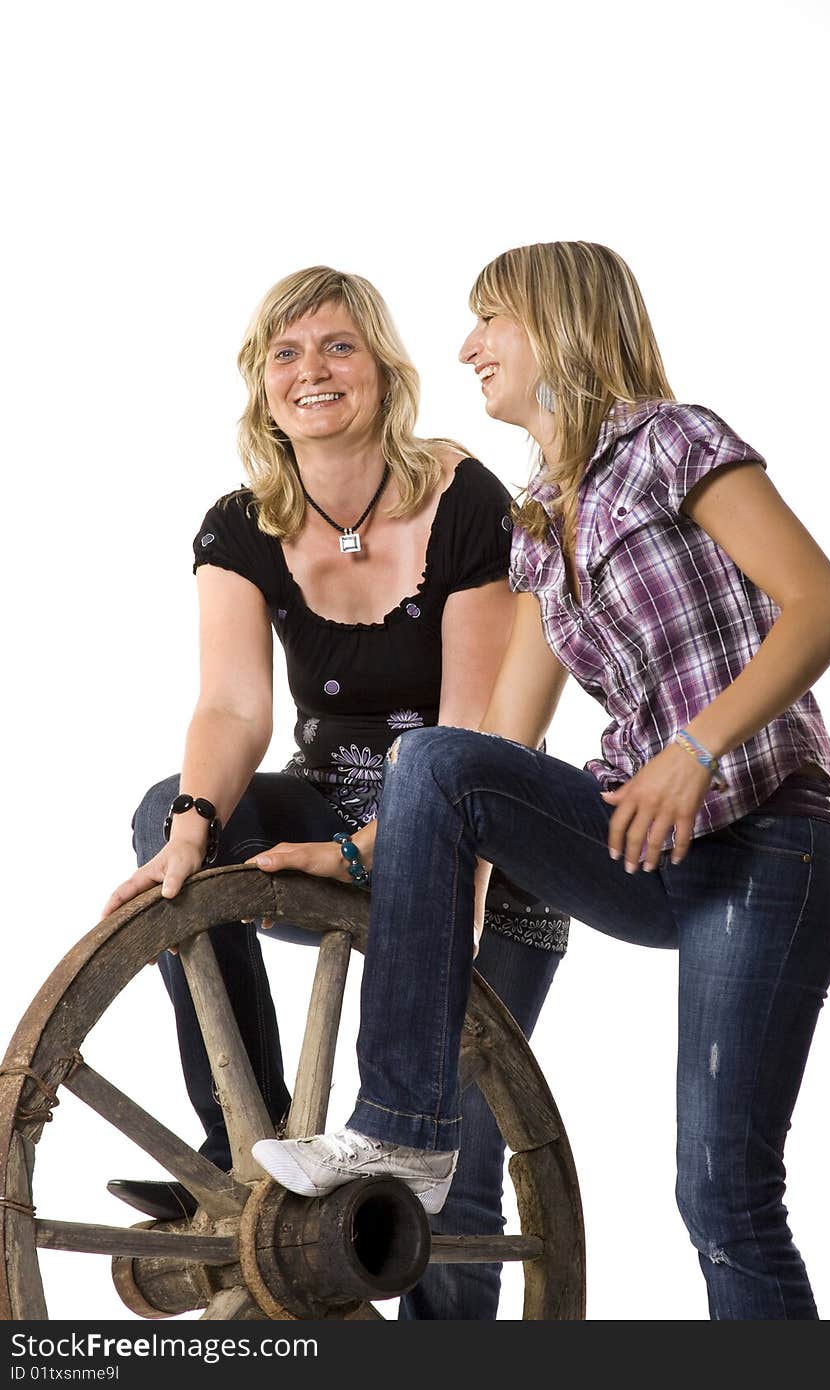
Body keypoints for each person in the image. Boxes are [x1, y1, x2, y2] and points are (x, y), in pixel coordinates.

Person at [251, 242, 830, 1320]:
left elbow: (822, 605)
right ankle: (405, 1128)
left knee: (722, 1197)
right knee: (432, 755)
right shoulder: (537, 521)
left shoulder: (675, 442)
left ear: (562, 326)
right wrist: (354, 853)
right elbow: (484, 757)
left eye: (491, 322)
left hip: (768, 845)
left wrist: (695, 745)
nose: (466, 348)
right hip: (645, 843)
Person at [102, 264, 569, 1321]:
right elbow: (230, 710)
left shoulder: (464, 502)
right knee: (168, 811)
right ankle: (248, 1141)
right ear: (262, 385)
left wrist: (391, 856)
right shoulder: (240, 524)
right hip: (324, 811)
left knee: (456, 1174)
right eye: (286, 353)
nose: (312, 370)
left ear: (384, 370)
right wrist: (188, 831)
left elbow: (470, 744)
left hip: (481, 837)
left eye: (338, 346)